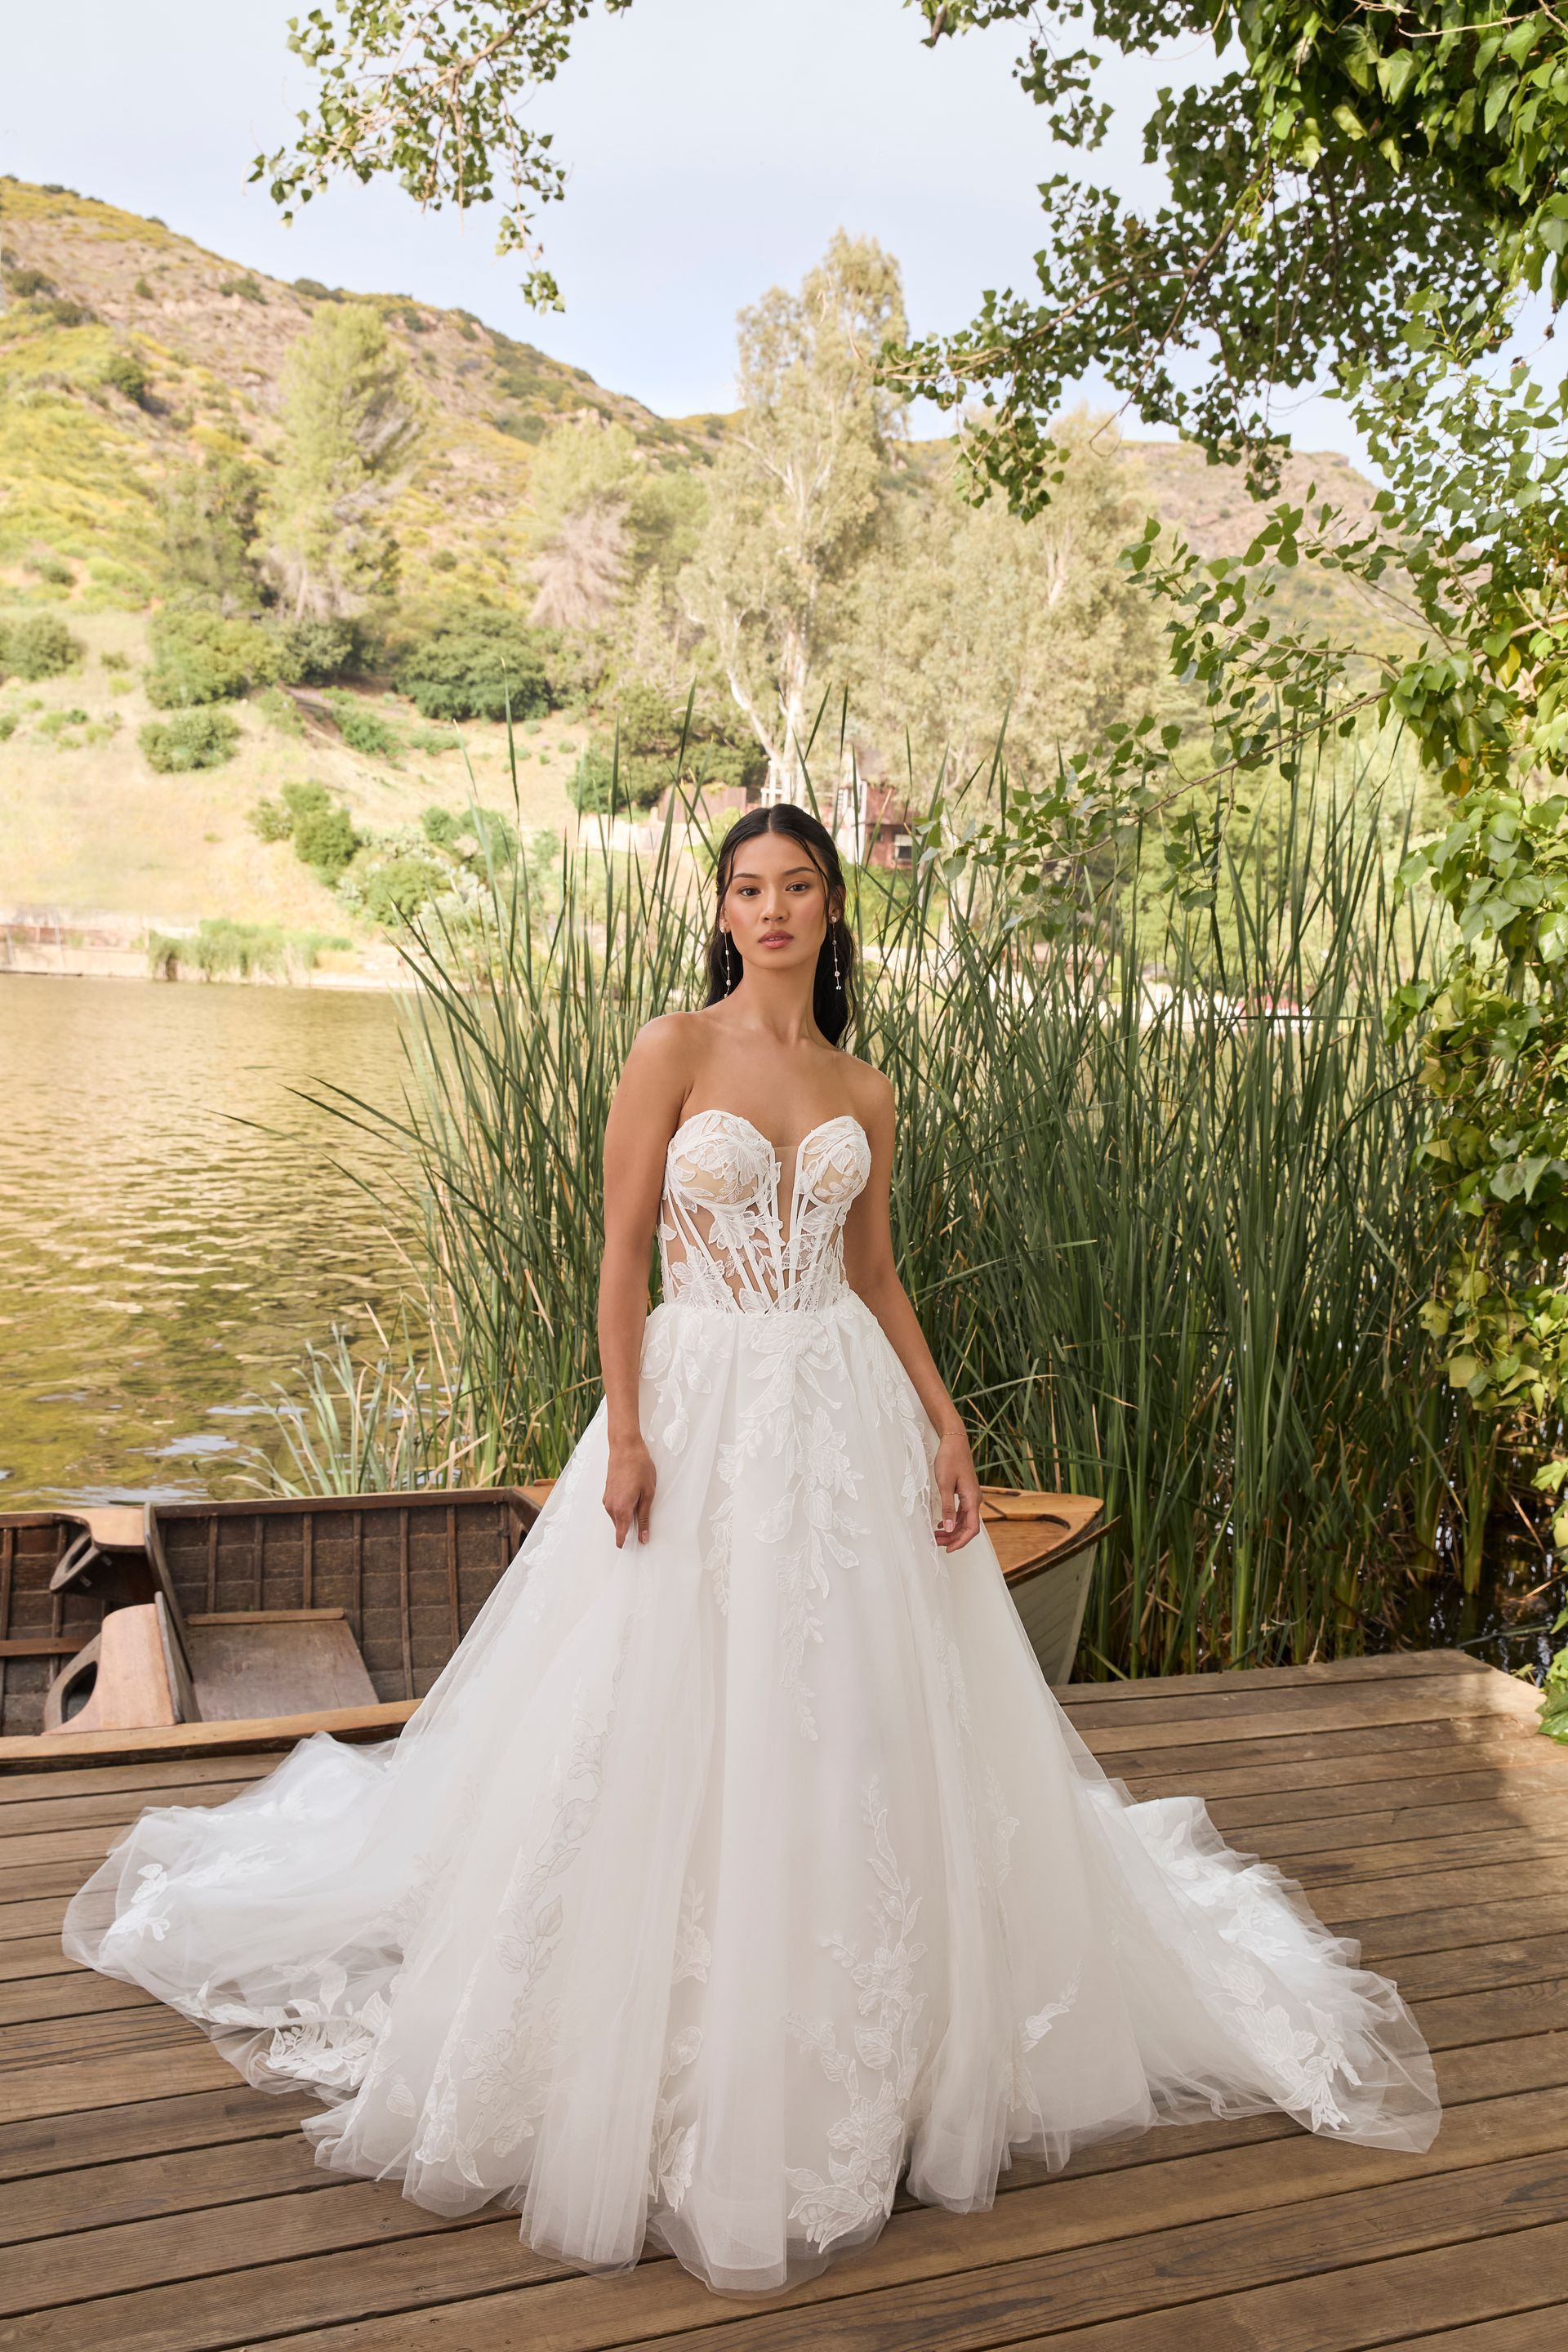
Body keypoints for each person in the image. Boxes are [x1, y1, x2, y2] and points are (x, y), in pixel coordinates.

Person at [63, 803, 1440, 2297]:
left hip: (841, 1405)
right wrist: (629, 1428)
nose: (770, 909)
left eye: (796, 886)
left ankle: (858, 2033)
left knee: (848, 1718)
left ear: (833, 909)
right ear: (721, 913)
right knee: (658, 1701)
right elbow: (620, 1253)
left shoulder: (866, 1085)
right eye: (745, 888)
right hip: (702, 1403)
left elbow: (878, 1273)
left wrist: (947, 1421)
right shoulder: (672, 1051)